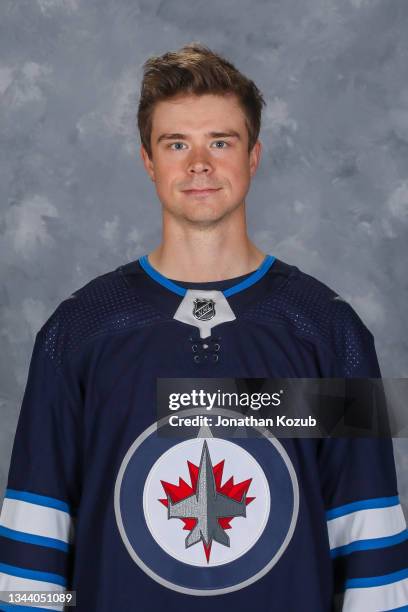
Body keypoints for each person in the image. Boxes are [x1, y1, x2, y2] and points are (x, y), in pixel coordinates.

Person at [0, 42, 407, 612]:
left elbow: (371, 548)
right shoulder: (76, 333)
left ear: (254, 156)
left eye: (220, 141)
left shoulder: (332, 332)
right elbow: (32, 552)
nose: (199, 164)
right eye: (176, 144)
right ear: (148, 160)